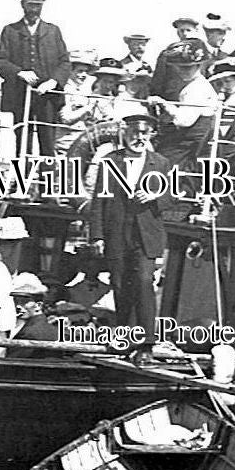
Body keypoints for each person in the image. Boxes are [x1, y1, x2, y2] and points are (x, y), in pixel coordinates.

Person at [89, 114, 172, 364]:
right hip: (117, 234)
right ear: (125, 134)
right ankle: (124, 336)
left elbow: (174, 194)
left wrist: (154, 196)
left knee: (144, 282)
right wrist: (97, 235)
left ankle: (146, 344)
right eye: (135, 133)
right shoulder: (109, 162)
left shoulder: (161, 163)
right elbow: (98, 203)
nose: (139, 138)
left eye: (144, 134)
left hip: (146, 235)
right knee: (120, 284)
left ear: (150, 136)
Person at [0, 0, 70, 158]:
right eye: (31, 6)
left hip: (48, 97)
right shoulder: (10, 31)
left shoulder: (53, 31)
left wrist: (53, 81)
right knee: (22, 143)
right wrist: (19, 73)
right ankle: (23, 181)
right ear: (23, 5)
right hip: (21, 96)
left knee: (48, 145)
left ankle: (47, 184)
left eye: (38, 6)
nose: (34, 10)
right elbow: (0, 61)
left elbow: (64, 63)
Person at [148, 39, 218, 168]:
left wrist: (164, 104)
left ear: (199, 65)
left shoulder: (198, 88)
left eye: (188, 67)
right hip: (186, 142)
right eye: (179, 67)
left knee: (155, 162)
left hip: (189, 145)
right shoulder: (191, 85)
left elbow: (184, 121)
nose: (182, 71)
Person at [55, 50, 98, 156]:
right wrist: (88, 108)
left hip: (84, 141)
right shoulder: (63, 89)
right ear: (70, 70)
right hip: (65, 142)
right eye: (80, 71)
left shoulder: (87, 90)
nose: (83, 75)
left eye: (86, 72)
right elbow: (65, 118)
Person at [149, 16, 201, 101]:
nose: (185, 33)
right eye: (181, 30)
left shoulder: (202, 52)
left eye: (188, 30)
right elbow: (159, 78)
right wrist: (155, 96)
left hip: (196, 95)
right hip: (172, 96)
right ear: (177, 32)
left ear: (196, 31)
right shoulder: (167, 53)